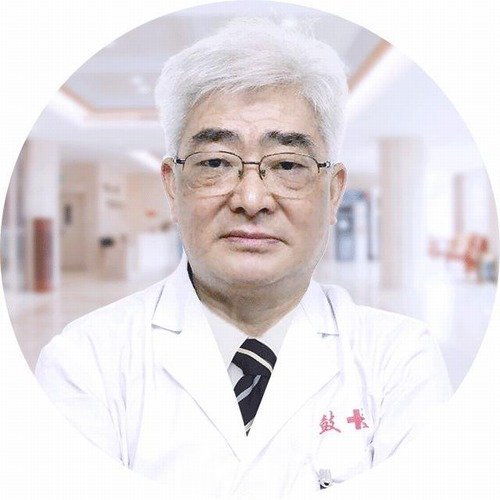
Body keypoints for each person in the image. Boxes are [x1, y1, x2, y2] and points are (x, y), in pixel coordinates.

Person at [35, 18, 452, 498]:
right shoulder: (85, 362)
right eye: (215, 162)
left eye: (288, 165)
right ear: (172, 186)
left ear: (333, 192)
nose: (251, 199)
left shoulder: (400, 361)